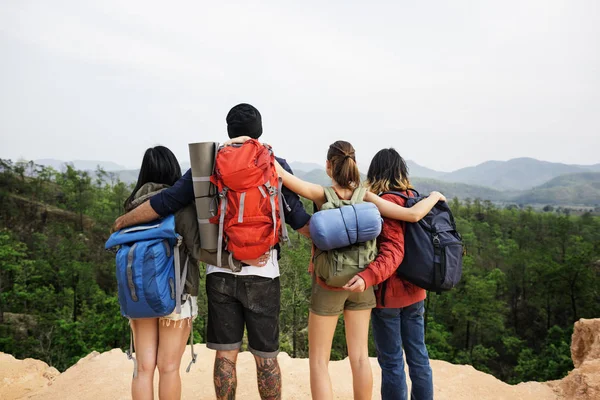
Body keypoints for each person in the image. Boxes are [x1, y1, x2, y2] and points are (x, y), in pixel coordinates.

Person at [112, 103, 311, 400]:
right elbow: (298, 219)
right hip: (264, 271)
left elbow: (165, 202)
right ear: (259, 131)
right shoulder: (274, 163)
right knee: (266, 357)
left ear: (229, 131)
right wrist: (326, 242)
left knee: (225, 354)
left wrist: (123, 222)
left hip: (220, 272)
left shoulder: (207, 164)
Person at [267, 140, 444, 400]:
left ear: (329, 166)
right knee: (360, 358)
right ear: (354, 165)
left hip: (329, 285)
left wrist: (260, 149)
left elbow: (281, 175)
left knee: (318, 362)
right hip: (363, 284)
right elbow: (413, 216)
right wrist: (434, 197)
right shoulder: (367, 197)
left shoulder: (320, 194)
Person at [344, 148, 434, 400]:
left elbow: (394, 251)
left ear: (375, 172)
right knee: (419, 358)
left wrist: (367, 276)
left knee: (393, 362)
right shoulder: (415, 198)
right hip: (416, 291)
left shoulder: (385, 203)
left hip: (389, 296)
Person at [123, 145, 202, 400]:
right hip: (177, 296)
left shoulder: (131, 206)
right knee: (168, 368)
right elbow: (198, 250)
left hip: (138, 296)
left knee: (143, 368)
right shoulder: (181, 207)